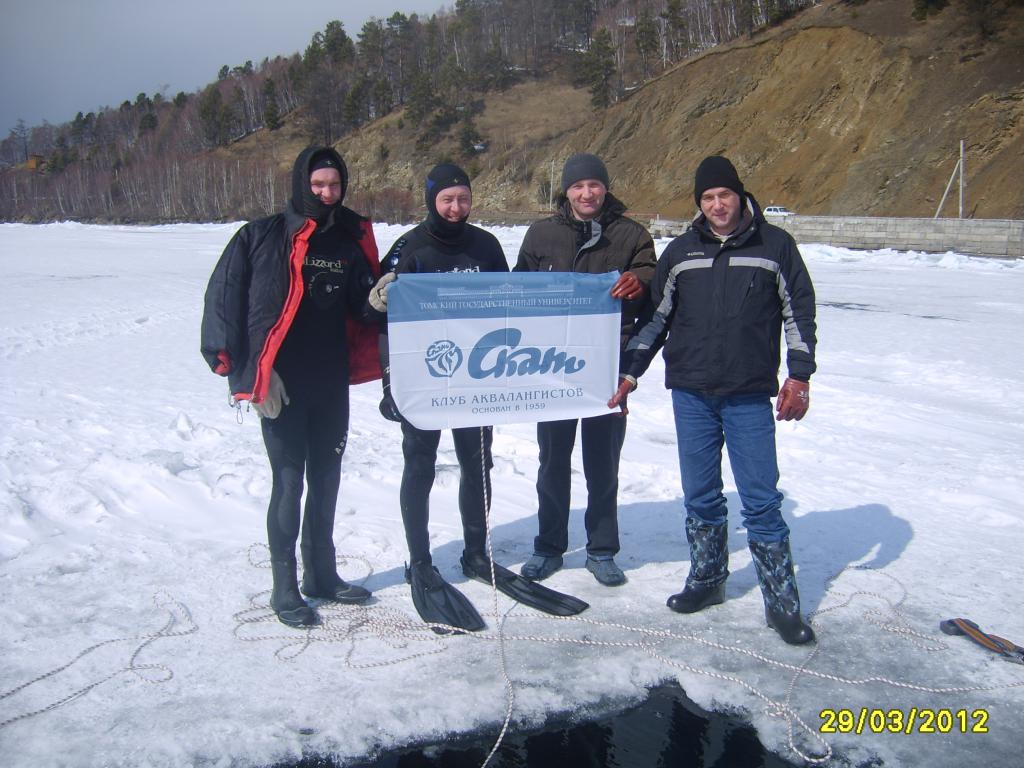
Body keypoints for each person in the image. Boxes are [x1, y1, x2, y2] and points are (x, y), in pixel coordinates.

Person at [366, 163, 587, 632]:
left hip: (475, 380)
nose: (456, 207)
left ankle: (473, 552)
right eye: (447, 199)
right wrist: (389, 380)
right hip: (422, 379)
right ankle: (420, 561)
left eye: (463, 198)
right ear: (431, 200)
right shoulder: (410, 249)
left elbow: (507, 304)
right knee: (420, 466)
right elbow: (381, 319)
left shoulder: (484, 245)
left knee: (478, 462)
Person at [610, 155, 817, 644]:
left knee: (761, 499)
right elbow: (656, 320)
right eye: (708, 198)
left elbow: (799, 312)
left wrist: (800, 375)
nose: (718, 205)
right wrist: (630, 373)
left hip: (748, 394)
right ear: (699, 204)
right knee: (701, 495)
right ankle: (707, 580)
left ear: (740, 197)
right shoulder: (681, 252)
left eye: (724, 195)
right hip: (692, 393)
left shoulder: (775, 245)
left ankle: (782, 604)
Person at [201, 146, 381, 628]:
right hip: (280, 383)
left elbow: (360, 311)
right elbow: (225, 303)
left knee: (327, 479)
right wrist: (250, 376)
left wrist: (379, 299)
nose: (327, 194)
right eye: (319, 184)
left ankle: (321, 575)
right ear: (303, 183)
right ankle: (284, 587)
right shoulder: (260, 236)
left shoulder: (347, 240)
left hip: (329, 381)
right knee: (288, 482)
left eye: (335, 186)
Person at [514, 153, 656, 587]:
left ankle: (601, 549)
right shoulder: (542, 233)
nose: (586, 193)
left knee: (602, 463)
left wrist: (640, 280)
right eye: (578, 186)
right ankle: (549, 546)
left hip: (607, 368)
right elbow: (519, 290)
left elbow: (653, 285)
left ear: (605, 188)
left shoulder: (631, 235)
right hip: (552, 368)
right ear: (567, 191)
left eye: (594, 185)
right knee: (552, 461)